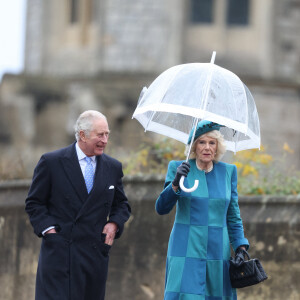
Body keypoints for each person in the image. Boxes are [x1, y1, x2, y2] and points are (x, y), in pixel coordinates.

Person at [25, 110, 131, 300]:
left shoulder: (113, 167)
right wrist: (50, 231)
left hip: (93, 256)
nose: (105, 140)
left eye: (107, 134)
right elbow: (34, 203)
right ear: (82, 135)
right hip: (60, 255)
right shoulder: (52, 162)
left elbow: (122, 204)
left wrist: (114, 224)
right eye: (100, 135)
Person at [155, 120, 249, 300]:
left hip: (217, 249)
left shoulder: (228, 171)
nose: (207, 147)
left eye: (211, 143)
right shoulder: (178, 168)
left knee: (216, 295)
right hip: (185, 247)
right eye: (201, 142)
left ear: (217, 147)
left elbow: (233, 216)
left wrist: (240, 247)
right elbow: (161, 208)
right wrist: (175, 183)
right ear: (194, 146)